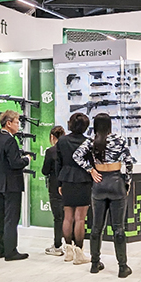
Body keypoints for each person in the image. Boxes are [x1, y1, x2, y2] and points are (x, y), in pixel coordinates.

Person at [74, 113, 137, 278]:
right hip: (116, 183)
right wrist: (127, 182)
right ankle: (122, 267)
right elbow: (129, 162)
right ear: (110, 125)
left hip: (99, 183)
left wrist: (91, 170)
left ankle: (95, 264)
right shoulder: (119, 139)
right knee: (118, 228)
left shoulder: (92, 141)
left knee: (96, 227)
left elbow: (76, 156)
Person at [0, 109, 30, 261]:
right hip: (12, 184)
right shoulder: (10, 140)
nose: (18, 125)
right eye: (17, 122)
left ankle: (0, 249)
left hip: (0, 183)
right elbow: (15, 163)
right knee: (11, 219)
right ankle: (10, 251)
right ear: (8, 123)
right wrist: (26, 159)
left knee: (0, 217)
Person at [56, 113, 93, 265]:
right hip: (83, 179)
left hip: (66, 179)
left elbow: (58, 162)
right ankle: (79, 253)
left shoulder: (62, 140)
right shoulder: (88, 142)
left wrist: (59, 183)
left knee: (68, 217)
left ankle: (68, 251)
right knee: (80, 218)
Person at [40, 125, 66, 256]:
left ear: (52, 137)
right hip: (68, 186)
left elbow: (45, 171)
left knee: (58, 218)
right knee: (69, 217)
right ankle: (71, 246)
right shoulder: (69, 150)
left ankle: (57, 245)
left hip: (55, 186)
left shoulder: (51, 151)